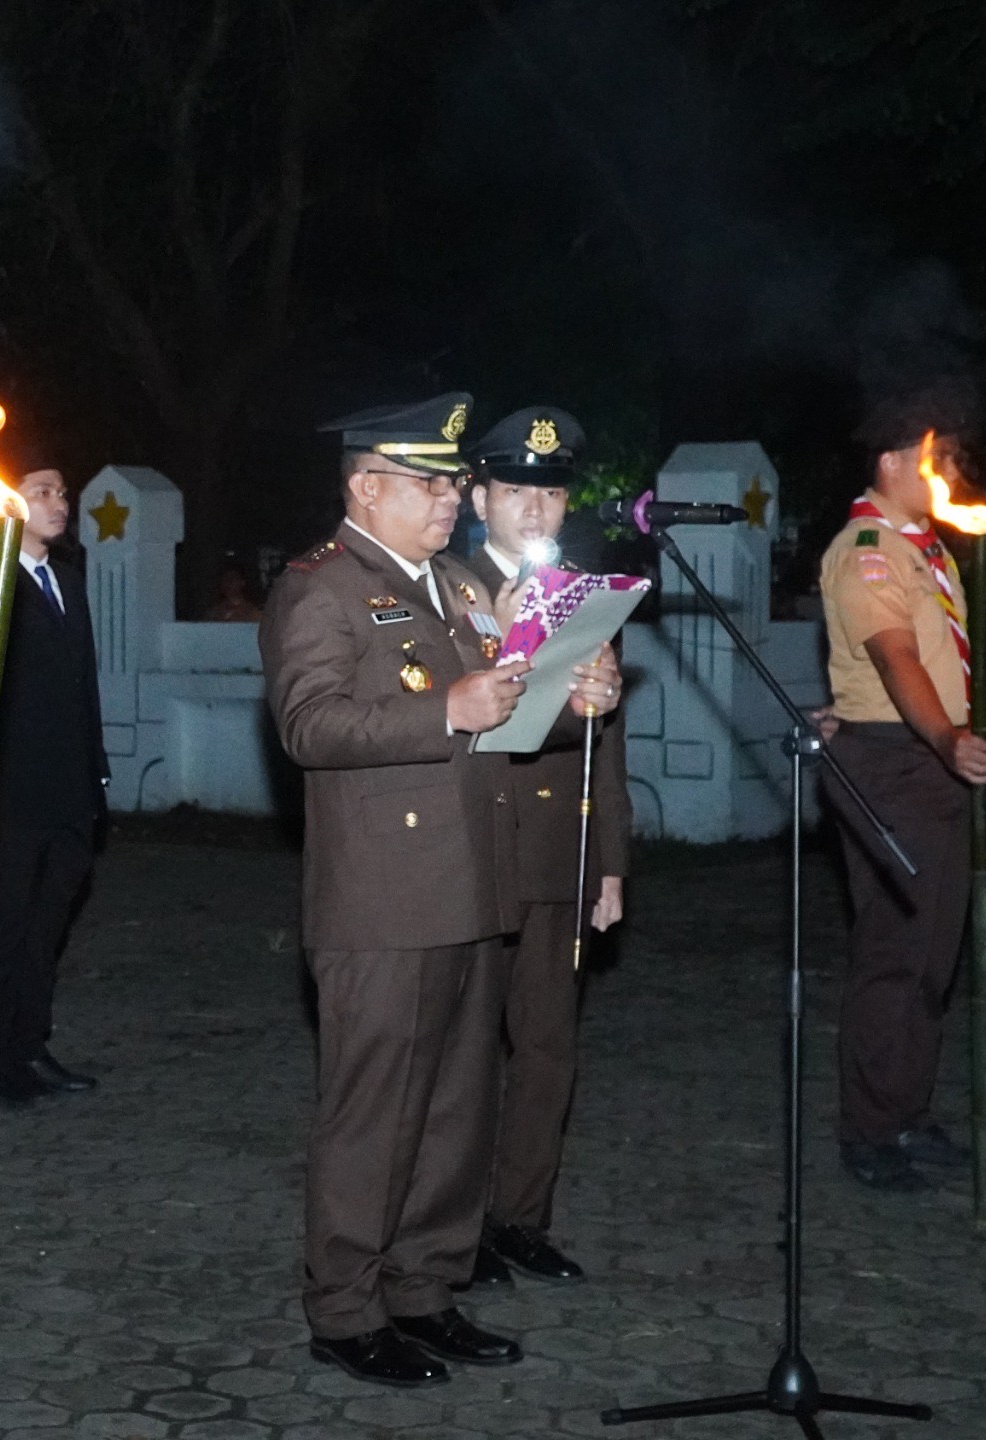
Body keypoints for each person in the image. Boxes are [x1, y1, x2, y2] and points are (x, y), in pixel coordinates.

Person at [260, 392, 620, 1389]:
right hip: (381, 900)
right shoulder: (321, 590)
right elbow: (309, 726)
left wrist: (571, 701)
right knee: (374, 1113)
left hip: (473, 886)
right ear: (365, 488)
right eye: (431, 483)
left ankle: (425, 1289)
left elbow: (504, 715)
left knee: (457, 1112)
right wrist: (445, 711)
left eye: (454, 482)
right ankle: (345, 1309)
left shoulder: (456, 584)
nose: (451, 499)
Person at [453, 407, 629, 1290]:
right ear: (479, 495)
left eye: (550, 495)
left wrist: (609, 859)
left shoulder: (585, 595)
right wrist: (501, 637)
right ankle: (454, 1226)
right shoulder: (444, 587)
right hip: (473, 846)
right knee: (466, 1051)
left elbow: (610, 741)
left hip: (559, 844)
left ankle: (522, 1215)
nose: (534, 510)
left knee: (548, 1045)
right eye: (515, 490)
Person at [816, 416, 986, 1193]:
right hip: (894, 761)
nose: (948, 473)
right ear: (893, 461)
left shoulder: (926, 547)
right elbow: (895, 660)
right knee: (895, 950)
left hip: (927, 762)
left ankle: (906, 1108)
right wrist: (946, 739)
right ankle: (869, 1128)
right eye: (936, 461)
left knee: (934, 951)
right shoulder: (866, 553)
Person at [0, 457, 108, 1110]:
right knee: (5, 927)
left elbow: (82, 687)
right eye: (42, 491)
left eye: (63, 491)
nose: (59, 501)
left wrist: (97, 773)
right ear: (6, 504)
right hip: (13, 792)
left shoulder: (69, 580)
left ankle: (32, 1043)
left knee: (47, 928)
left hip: (71, 790)